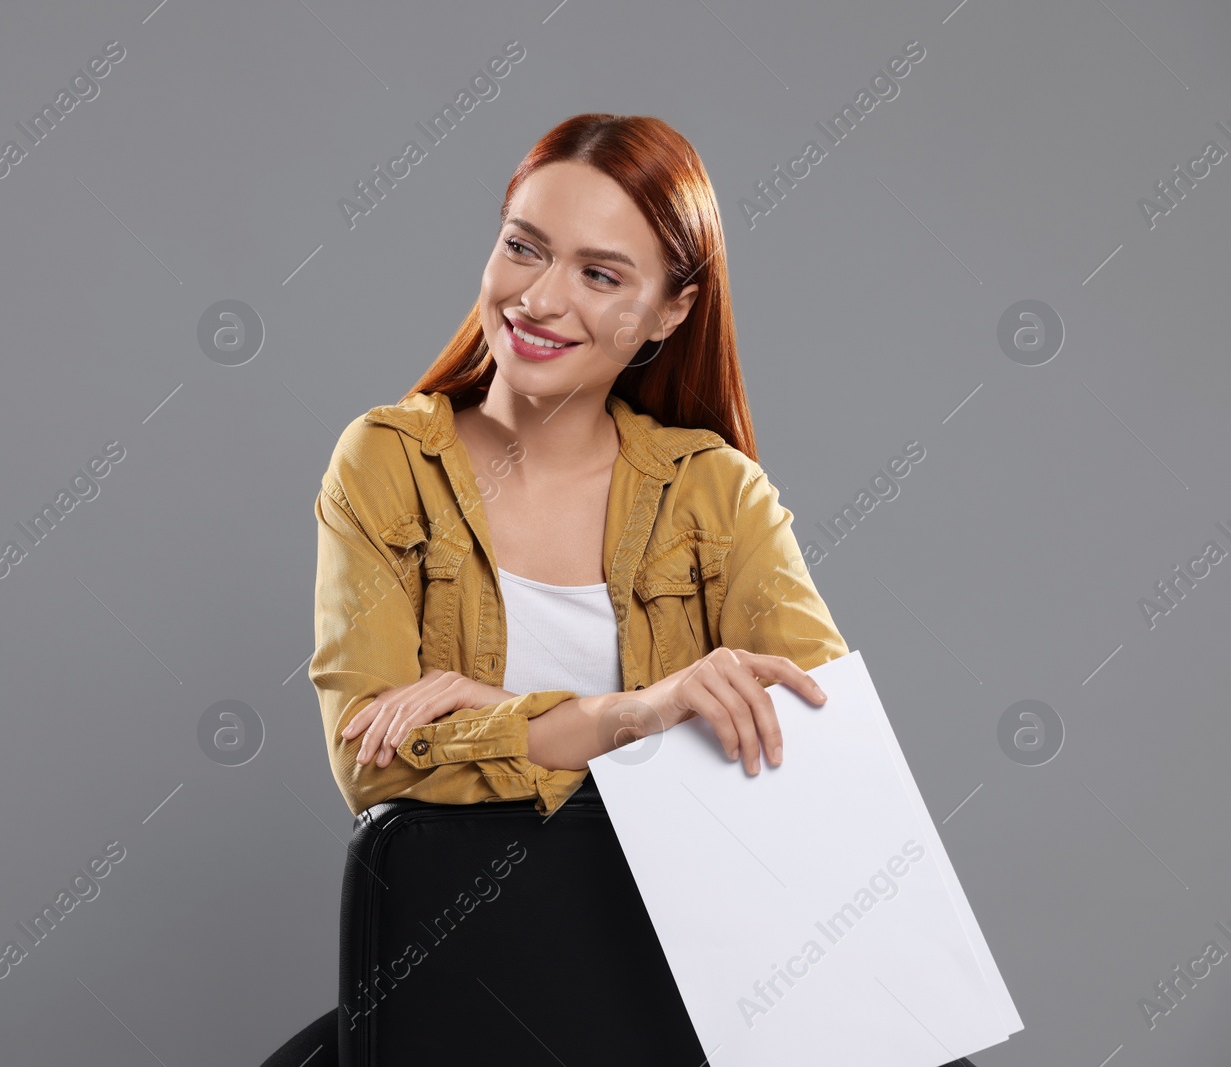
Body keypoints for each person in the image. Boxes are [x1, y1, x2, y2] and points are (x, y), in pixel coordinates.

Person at [267, 112, 913, 1066]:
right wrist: (634, 716)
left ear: (669, 311)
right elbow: (374, 758)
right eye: (523, 247)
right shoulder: (387, 461)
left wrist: (494, 712)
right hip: (474, 976)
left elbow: (822, 758)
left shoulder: (716, 490)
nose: (539, 298)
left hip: (695, 982)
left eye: (600, 274)